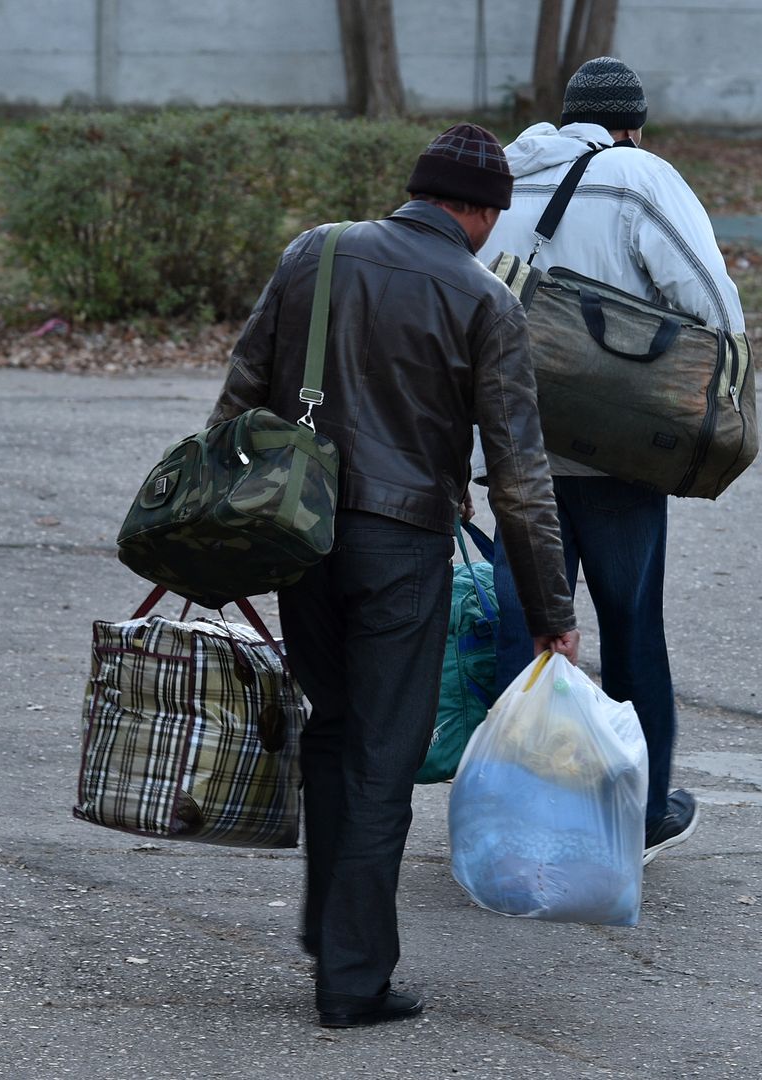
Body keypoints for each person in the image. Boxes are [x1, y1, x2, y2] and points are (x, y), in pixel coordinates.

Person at [207, 123, 579, 1029]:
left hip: (304, 539)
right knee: (381, 761)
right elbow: (520, 477)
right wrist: (548, 611)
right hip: (403, 549)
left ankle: (328, 934)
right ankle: (353, 981)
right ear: (482, 212)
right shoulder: (483, 301)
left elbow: (239, 395)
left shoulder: (316, 253)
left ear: (414, 193)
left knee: (332, 734)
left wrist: (228, 530)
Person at [475, 56, 746, 867]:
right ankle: (639, 813)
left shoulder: (503, 179)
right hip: (618, 458)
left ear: (564, 118)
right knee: (630, 631)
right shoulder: (635, 176)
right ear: (631, 123)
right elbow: (712, 306)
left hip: (515, 454)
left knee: (521, 636)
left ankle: (510, 812)